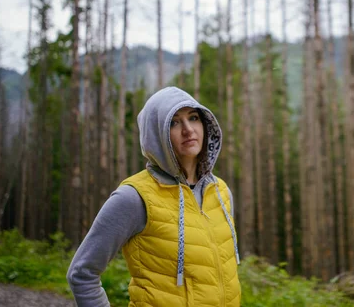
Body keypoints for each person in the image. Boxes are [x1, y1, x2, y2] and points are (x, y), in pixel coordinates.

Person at [67, 87, 241, 307]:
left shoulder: (221, 192)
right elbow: (82, 273)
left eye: (193, 118)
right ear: (156, 134)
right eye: (174, 122)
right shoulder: (134, 197)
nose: (188, 130)